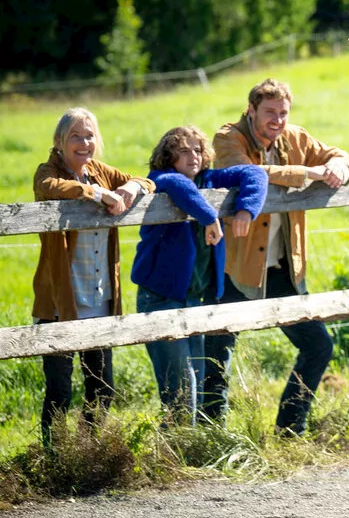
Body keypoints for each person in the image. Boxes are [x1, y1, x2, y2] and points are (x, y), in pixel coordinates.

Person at [213, 78, 349, 436]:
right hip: (235, 264)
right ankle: (211, 431)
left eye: (283, 113)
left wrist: (338, 165)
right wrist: (308, 173)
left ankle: (290, 428)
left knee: (318, 344)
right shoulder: (228, 138)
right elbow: (251, 173)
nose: (277, 120)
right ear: (251, 110)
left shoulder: (295, 137)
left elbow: (337, 155)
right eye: (269, 112)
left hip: (281, 267)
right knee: (217, 347)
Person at [31, 108, 155, 446]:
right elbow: (50, 186)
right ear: (59, 142)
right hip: (61, 301)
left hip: (100, 299)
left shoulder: (100, 171)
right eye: (76, 136)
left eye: (89, 135)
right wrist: (100, 194)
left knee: (102, 387)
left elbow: (147, 180)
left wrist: (129, 188)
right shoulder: (49, 171)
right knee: (59, 391)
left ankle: (91, 451)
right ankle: (55, 458)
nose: (85, 143)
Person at [132, 126, 267, 425]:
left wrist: (245, 210)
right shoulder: (159, 181)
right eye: (183, 151)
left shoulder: (209, 180)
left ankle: (185, 452)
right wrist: (210, 218)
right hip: (161, 298)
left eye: (197, 149)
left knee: (196, 379)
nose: (193, 156)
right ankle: (175, 458)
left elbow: (257, 175)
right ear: (168, 156)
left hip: (195, 299)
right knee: (180, 388)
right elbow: (177, 185)